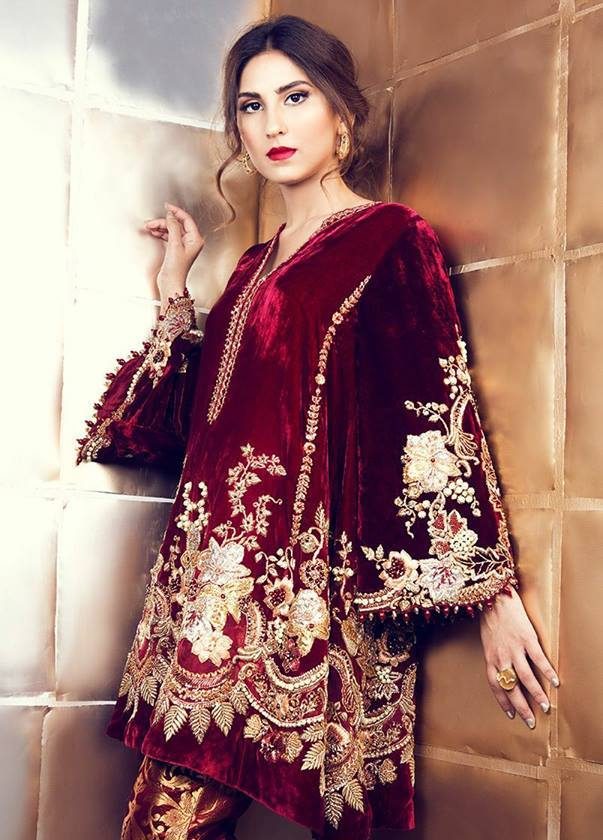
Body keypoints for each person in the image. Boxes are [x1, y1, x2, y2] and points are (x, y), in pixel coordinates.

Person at [76, 13, 560, 840]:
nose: (271, 123)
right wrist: (176, 293)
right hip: (204, 610)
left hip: (312, 610)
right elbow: (184, 433)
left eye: (294, 97)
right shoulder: (251, 267)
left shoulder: (388, 239)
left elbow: (427, 416)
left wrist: (489, 594)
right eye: (251, 105)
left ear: (340, 112)